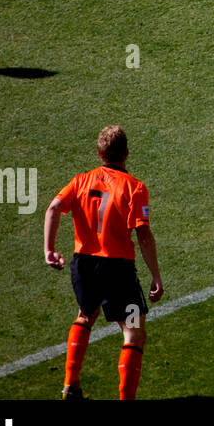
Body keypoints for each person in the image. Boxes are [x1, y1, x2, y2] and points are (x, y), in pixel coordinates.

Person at [44, 125, 164, 400]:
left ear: (100, 154)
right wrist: (156, 276)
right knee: (133, 332)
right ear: (127, 153)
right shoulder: (135, 188)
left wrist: (49, 249)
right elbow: (143, 235)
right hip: (118, 271)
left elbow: (53, 208)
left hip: (84, 265)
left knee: (86, 314)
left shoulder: (80, 181)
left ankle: (70, 387)